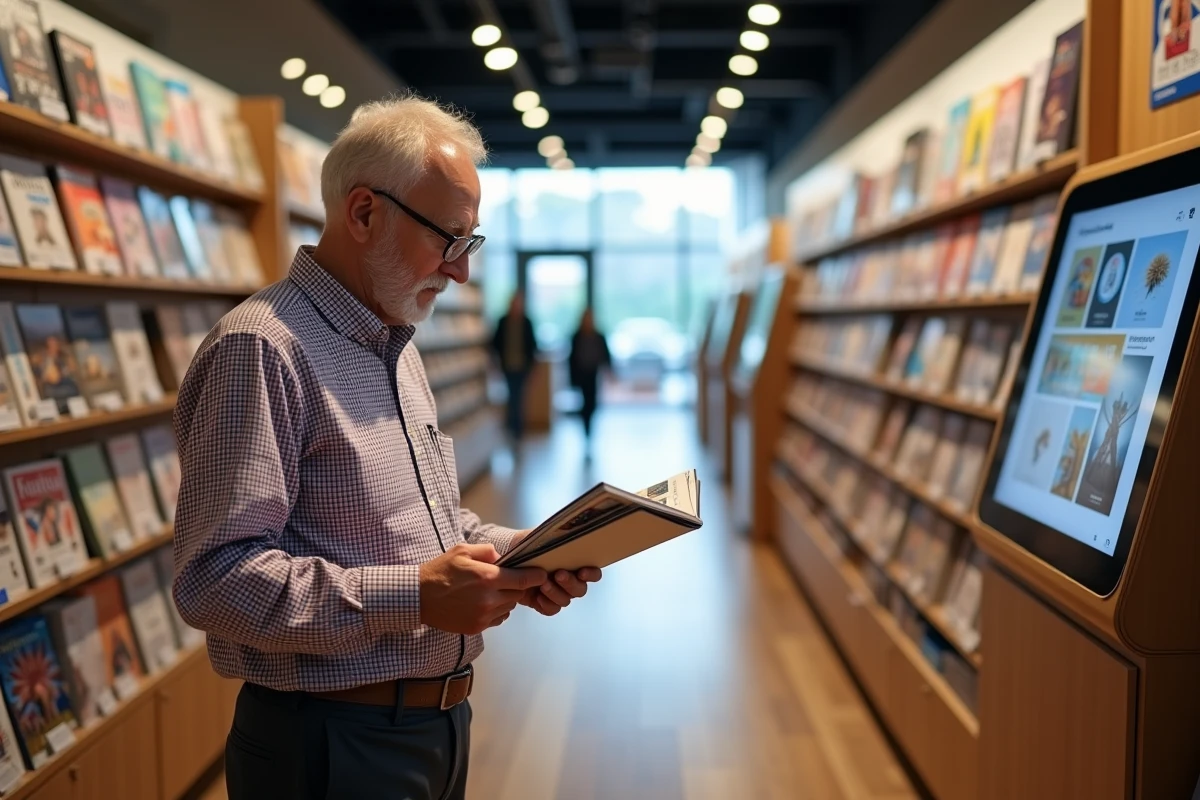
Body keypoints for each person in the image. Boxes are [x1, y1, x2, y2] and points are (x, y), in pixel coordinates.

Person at [172, 93, 602, 800]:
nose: (460, 270)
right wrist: (416, 597)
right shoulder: (263, 349)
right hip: (331, 744)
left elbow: (429, 525)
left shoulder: (395, 342)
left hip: (433, 728)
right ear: (364, 213)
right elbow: (215, 580)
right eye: (448, 238)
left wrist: (522, 553)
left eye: (471, 243)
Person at [491, 290, 537, 439]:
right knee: (512, 396)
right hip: (508, 366)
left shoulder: (526, 322)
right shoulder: (503, 321)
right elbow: (495, 343)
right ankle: (513, 427)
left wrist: (533, 368)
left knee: (518, 397)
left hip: (523, 367)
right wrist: (495, 362)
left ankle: (516, 428)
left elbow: (533, 346)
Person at [568, 307, 611, 443]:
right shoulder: (576, 336)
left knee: (592, 404)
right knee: (584, 404)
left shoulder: (598, 336)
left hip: (593, 374)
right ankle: (586, 429)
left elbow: (606, 355)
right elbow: (571, 359)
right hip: (581, 376)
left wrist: (610, 371)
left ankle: (589, 428)